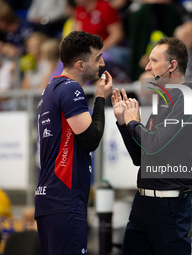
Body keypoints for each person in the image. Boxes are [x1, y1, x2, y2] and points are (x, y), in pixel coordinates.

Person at [111, 37, 192, 254]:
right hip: (143, 203)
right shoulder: (165, 100)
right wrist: (124, 124)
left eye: (154, 60)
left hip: (169, 207)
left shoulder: (186, 101)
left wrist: (134, 122)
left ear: (172, 66)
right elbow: (140, 157)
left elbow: (152, 145)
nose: (147, 66)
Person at [34, 31, 113, 255]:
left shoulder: (51, 87)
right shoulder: (71, 89)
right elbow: (90, 139)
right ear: (80, 64)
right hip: (64, 200)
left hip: (51, 199)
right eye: (97, 58)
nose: (103, 63)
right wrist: (100, 98)